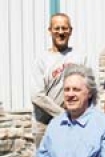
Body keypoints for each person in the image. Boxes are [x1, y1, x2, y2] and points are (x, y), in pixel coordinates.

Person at [31, 13, 87, 148]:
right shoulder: (42, 60)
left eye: (64, 28)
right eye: (57, 28)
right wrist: (63, 114)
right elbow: (37, 96)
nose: (61, 32)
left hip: (74, 124)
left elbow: (89, 88)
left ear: (70, 31)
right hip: (45, 125)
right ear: (50, 31)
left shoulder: (80, 57)